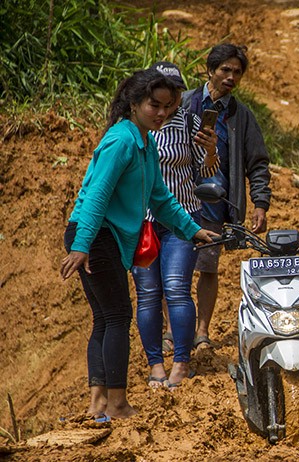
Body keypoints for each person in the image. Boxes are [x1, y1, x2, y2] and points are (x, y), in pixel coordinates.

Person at [60, 69, 218, 420]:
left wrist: (193, 231)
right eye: (154, 105)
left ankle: (98, 404)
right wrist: (82, 244)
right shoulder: (123, 140)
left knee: (104, 318)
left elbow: (160, 198)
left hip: (101, 237)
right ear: (133, 104)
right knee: (117, 316)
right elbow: (97, 195)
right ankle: (117, 404)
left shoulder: (144, 142)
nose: (161, 113)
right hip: (96, 235)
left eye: (168, 107)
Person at [131, 62, 219, 389]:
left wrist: (210, 150)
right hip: (142, 223)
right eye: (159, 99)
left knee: (176, 288)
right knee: (148, 293)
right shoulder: (135, 125)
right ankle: (155, 363)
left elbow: (207, 172)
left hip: (182, 218)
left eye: (174, 96)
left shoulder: (190, 123)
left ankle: (181, 362)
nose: (165, 106)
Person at [182, 43, 272, 349]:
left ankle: (201, 331)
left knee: (207, 267)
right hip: (177, 200)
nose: (231, 77)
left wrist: (260, 203)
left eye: (237, 72)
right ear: (210, 70)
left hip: (215, 205)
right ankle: (172, 331)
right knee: (174, 268)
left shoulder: (241, 116)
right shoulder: (183, 103)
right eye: (225, 70)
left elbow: (257, 162)